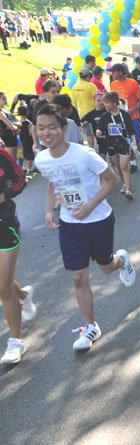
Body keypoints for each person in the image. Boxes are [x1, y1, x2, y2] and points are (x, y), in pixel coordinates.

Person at [34, 104, 136, 351]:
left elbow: (112, 180)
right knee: (79, 277)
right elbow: (52, 185)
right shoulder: (41, 159)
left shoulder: (84, 154)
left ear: (63, 128)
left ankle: (122, 260)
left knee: (106, 267)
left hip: (98, 220)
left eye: (51, 127)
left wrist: (90, 206)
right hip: (70, 226)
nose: (46, 133)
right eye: (40, 128)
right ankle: (90, 326)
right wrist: (49, 210)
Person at [0, 138, 33, 364]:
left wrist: (5, 195)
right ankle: (24, 296)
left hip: (5, 223)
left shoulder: (2, 155)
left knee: (3, 289)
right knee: (5, 282)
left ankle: (16, 342)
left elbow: (21, 180)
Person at [96, 92, 136, 199]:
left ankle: (128, 190)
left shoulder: (124, 114)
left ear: (114, 103)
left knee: (124, 166)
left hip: (124, 143)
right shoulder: (105, 116)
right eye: (104, 103)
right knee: (118, 166)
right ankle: (124, 183)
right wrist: (98, 131)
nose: (105, 105)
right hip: (111, 144)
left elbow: (130, 129)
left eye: (107, 103)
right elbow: (100, 128)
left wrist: (133, 142)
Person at [110, 63, 140, 169]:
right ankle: (133, 163)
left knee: (137, 141)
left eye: (114, 72)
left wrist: (132, 110)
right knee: (127, 141)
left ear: (120, 73)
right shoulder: (113, 84)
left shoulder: (133, 83)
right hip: (120, 118)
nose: (111, 74)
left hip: (133, 117)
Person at [0, 92, 21, 159]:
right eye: (3, 99)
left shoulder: (5, 110)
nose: (6, 100)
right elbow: (12, 127)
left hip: (12, 137)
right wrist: (17, 125)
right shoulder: (1, 113)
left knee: (14, 159)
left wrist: (16, 124)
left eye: (6, 98)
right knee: (11, 161)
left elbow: (16, 121)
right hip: (8, 139)